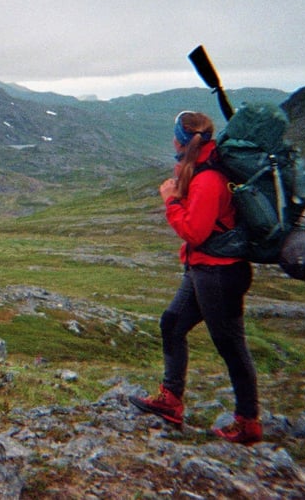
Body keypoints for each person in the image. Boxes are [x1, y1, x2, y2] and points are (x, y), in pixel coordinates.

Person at [129, 111, 262, 445]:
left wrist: (171, 201)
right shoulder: (200, 170)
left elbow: (194, 231)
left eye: (175, 136)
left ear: (183, 140)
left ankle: (248, 422)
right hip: (203, 269)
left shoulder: (208, 180)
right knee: (172, 323)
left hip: (218, 273)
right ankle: (170, 400)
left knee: (231, 345)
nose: (171, 141)